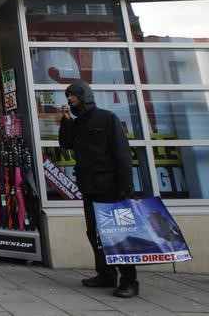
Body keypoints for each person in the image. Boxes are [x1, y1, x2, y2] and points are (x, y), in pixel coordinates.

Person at [58, 80, 138, 298]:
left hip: (110, 187)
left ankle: (129, 280)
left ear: (83, 96)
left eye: (72, 95)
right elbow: (65, 144)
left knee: (117, 235)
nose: (69, 100)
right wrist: (65, 122)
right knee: (94, 232)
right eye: (68, 97)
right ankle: (105, 273)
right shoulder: (77, 123)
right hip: (89, 186)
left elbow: (122, 154)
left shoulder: (107, 118)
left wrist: (125, 186)